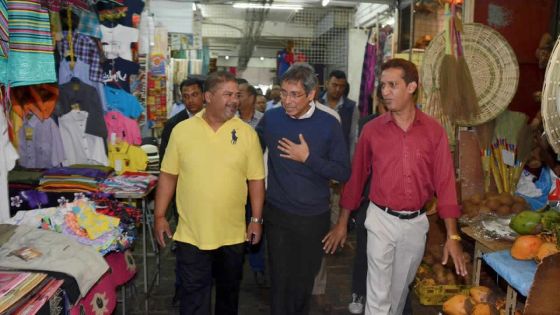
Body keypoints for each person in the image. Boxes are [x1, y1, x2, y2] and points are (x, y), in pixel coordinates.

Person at [324, 58, 467, 315]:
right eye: (382, 86)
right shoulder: (372, 131)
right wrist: (343, 222)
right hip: (380, 220)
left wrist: (452, 236)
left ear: (412, 87)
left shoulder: (434, 132)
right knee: (378, 296)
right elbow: (356, 180)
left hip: (416, 223)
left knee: (398, 295)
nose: (385, 92)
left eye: (392, 85)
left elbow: (445, 185)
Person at [154, 71, 265, 315]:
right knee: (193, 300)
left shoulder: (247, 134)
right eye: (227, 94)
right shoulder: (181, 131)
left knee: (228, 298)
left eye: (236, 95)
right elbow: (168, 176)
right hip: (192, 235)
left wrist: (256, 219)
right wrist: (160, 216)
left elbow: (256, 179)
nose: (234, 100)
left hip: (233, 235)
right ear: (209, 96)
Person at [256, 63, 350, 314]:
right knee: (279, 281)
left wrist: (308, 158)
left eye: (295, 94)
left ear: (312, 94)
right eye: (284, 92)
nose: (287, 100)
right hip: (278, 213)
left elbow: (342, 172)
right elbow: (251, 149)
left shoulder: (329, 123)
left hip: (313, 218)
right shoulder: (272, 117)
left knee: (302, 283)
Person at [159, 78, 205, 159]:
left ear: (203, 95)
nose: (190, 100)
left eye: (194, 95)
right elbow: (165, 157)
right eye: (186, 96)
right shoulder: (173, 124)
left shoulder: (214, 120)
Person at [320, 70, 358, 151]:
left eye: (342, 86)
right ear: (327, 84)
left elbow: (353, 137)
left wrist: (351, 161)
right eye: (334, 85)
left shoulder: (351, 108)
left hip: (340, 155)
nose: (338, 89)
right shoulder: (316, 102)